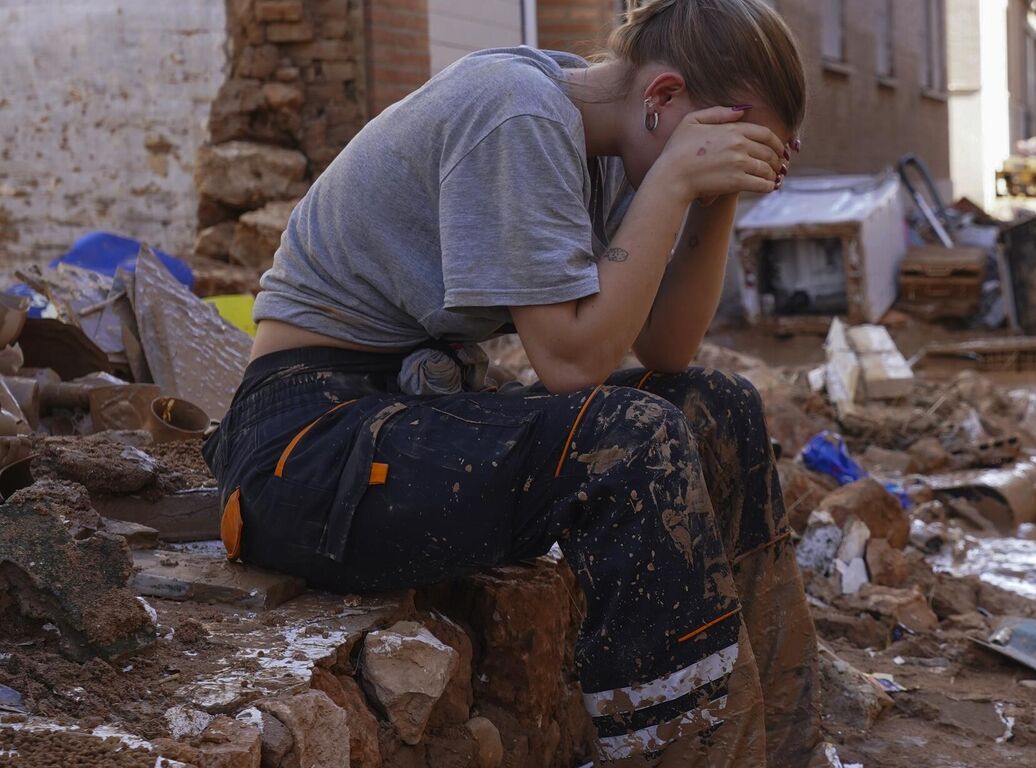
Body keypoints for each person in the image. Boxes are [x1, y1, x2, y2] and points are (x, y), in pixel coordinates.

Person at [200, 1, 817, 766]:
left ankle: (785, 750)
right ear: (662, 97)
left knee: (715, 405)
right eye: (727, 138)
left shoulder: (616, 134)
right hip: (307, 448)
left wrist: (711, 196)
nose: (725, 157)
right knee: (630, 438)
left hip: (409, 413)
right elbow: (569, 363)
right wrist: (672, 187)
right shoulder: (518, 113)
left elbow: (668, 346)